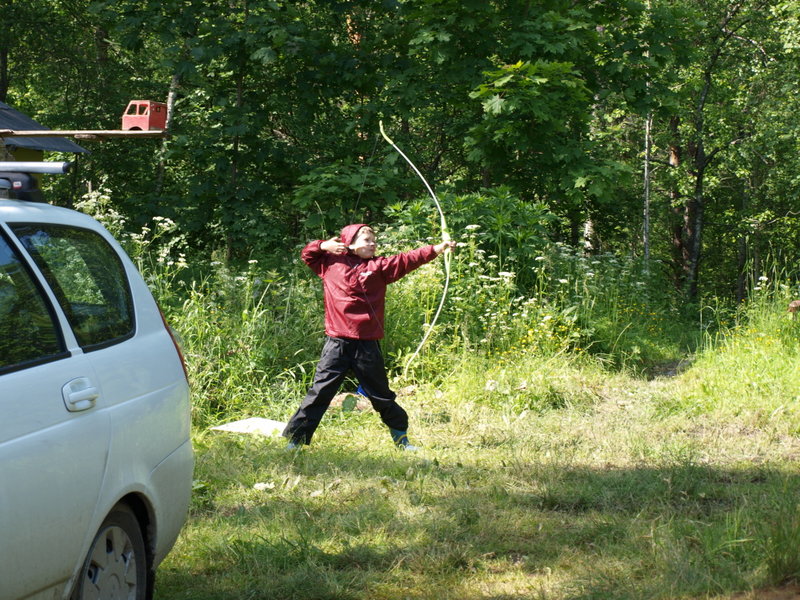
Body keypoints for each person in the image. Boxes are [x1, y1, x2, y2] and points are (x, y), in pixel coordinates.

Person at [282, 223, 455, 451]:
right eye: (366, 240)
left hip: (366, 345)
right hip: (337, 343)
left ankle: (402, 440)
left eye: (374, 240)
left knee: (381, 395)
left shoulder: (380, 266)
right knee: (320, 392)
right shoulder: (329, 262)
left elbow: (408, 258)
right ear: (350, 243)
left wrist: (437, 248)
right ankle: (295, 442)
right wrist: (324, 245)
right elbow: (308, 253)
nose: (372, 243)